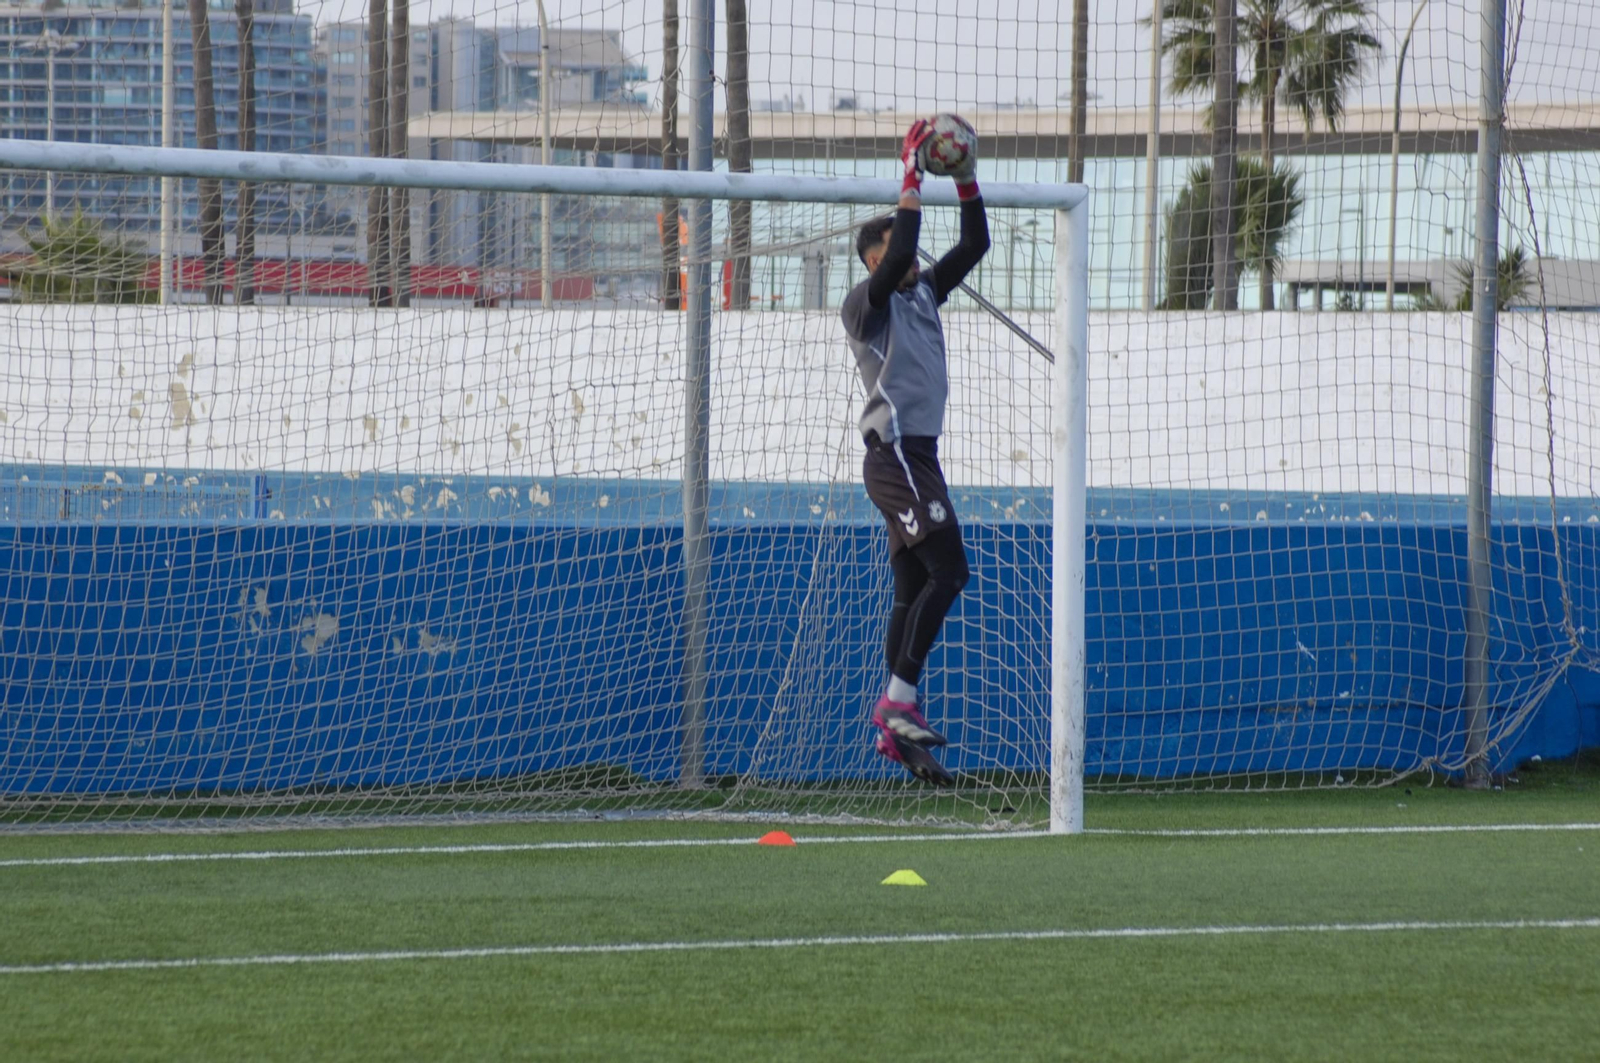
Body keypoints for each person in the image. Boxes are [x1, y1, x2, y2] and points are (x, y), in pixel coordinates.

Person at [839, 118, 989, 786]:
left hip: (920, 455)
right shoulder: (865, 306)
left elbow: (974, 241)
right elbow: (902, 254)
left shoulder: (926, 292)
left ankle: (897, 725)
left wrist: (963, 178)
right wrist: (909, 174)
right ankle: (897, 702)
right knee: (951, 570)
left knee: (911, 587)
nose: (901, 261)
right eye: (888, 253)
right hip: (893, 454)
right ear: (873, 261)